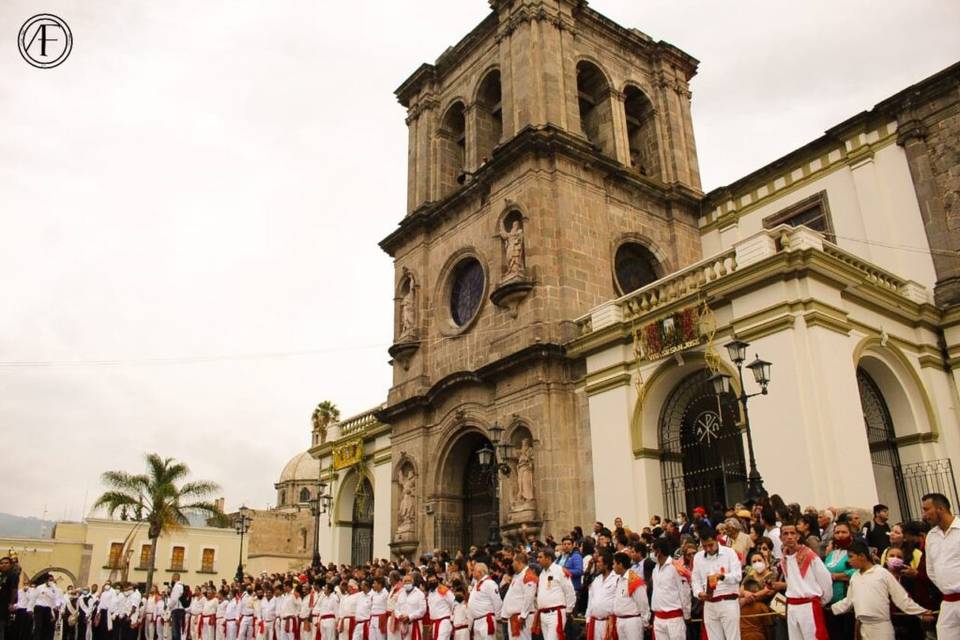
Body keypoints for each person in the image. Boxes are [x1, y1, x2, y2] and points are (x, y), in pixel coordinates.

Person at [829, 539, 932, 639]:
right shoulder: (855, 577)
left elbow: (901, 598)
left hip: (882, 627)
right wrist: (829, 607)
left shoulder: (882, 573)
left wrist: (921, 613)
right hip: (864, 627)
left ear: (862, 556)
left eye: (851, 557)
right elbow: (849, 601)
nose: (848, 561)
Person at [780, 521, 832, 640]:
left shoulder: (810, 555)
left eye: (792, 533)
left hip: (809, 606)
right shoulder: (784, 559)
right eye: (785, 533)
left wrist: (821, 601)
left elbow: (826, 580)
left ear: (798, 536)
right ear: (781, 537)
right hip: (792, 606)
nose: (789, 536)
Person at [921, 492, 960, 639]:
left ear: (941, 509)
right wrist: (946, 585)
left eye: (926, 509)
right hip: (948, 602)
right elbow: (931, 569)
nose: (924, 515)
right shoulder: (931, 536)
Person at [691, 527, 741, 639]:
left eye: (710, 545)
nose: (708, 549)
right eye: (704, 546)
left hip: (728, 601)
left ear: (716, 540)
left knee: (733, 637)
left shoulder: (729, 552)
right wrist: (699, 593)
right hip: (709, 603)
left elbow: (738, 576)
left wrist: (722, 576)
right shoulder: (698, 557)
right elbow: (695, 581)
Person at [649, 539, 690, 640]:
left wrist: (687, 614)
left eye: (652, 551)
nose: (651, 554)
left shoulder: (676, 567)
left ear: (658, 551)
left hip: (674, 619)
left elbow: (684, 592)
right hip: (658, 618)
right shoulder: (655, 569)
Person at [534, 550, 574, 640]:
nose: (537, 559)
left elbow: (569, 591)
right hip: (543, 614)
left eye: (540, 557)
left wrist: (569, 610)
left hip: (555, 613)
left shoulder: (559, 570)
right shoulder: (542, 574)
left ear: (548, 558)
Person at [610, 552, 648, 640]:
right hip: (620, 620)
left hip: (632, 622)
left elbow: (643, 603)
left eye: (614, 563)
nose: (613, 566)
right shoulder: (619, 580)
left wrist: (645, 622)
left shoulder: (634, 580)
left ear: (620, 564)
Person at [501, 553, 536, 640]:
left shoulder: (528, 575)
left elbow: (529, 597)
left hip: (521, 618)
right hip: (514, 617)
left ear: (519, 562)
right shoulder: (517, 576)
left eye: (513, 562)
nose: (512, 564)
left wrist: (523, 616)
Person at [583, 551, 615, 640]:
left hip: (609, 623)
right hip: (594, 622)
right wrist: (587, 619)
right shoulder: (596, 579)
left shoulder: (616, 579)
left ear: (606, 564)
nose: (597, 565)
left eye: (599, 562)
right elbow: (591, 599)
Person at [467, 563, 502, 640]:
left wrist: (498, 618)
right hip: (476, 621)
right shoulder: (476, 584)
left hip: (486, 620)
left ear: (480, 572)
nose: (472, 572)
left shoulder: (489, 583)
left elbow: (497, 602)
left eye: (474, 571)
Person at [0, 557, 18, 640]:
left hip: (4, 605)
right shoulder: (1, 575)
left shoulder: (13, 575)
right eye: (2, 563)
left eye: (6, 563)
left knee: (2, 626)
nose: (3, 565)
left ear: (10, 565)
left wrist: (11, 603)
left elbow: (14, 590)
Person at [169, 575, 186, 640]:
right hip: (179, 609)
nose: (171, 579)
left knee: (175, 631)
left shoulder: (177, 586)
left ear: (175, 578)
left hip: (177, 609)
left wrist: (169, 606)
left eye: (172, 577)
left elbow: (174, 599)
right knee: (177, 630)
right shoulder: (181, 586)